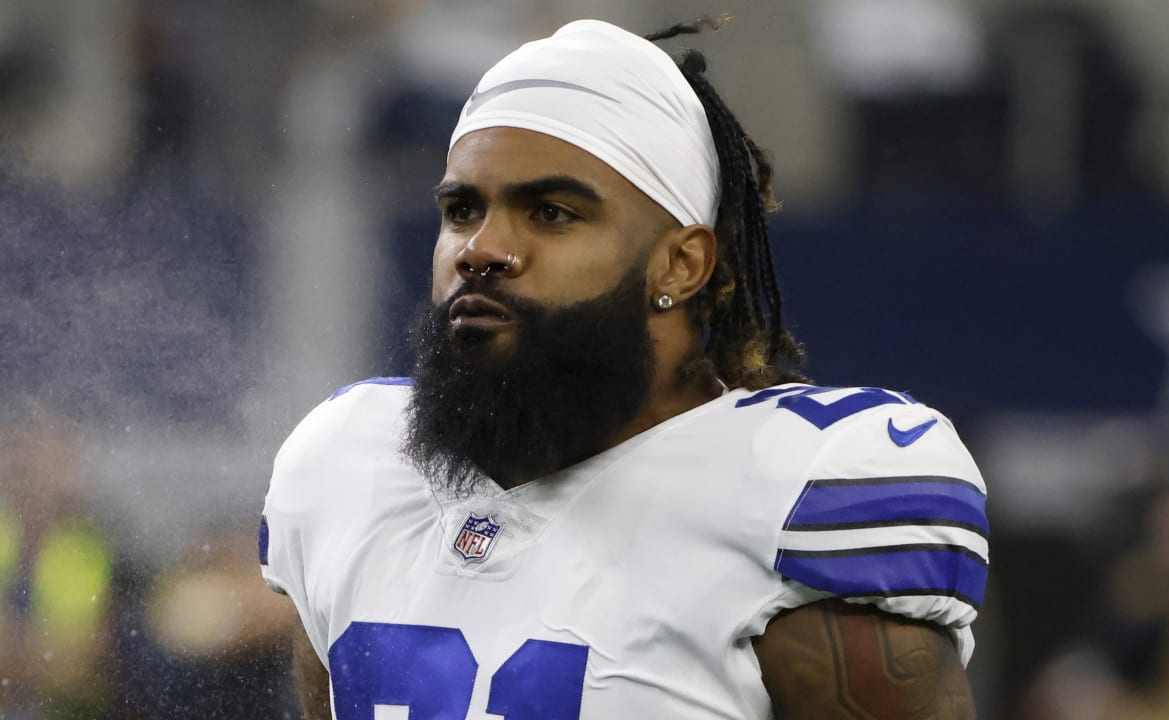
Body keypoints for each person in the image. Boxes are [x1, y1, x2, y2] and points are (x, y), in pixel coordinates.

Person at [260, 18, 988, 720]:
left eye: (550, 213)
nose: (481, 248)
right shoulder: (347, 467)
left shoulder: (792, 496)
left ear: (681, 262)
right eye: (462, 209)